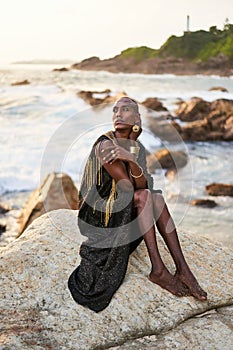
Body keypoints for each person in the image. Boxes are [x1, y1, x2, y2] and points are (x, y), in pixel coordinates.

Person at [68, 96, 207, 312]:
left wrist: (131, 153)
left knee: (156, 197)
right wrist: (130, 160)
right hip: (99, 213)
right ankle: (158, 269)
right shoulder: (105, 145)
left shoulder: (136, 147)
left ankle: (183, 269)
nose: (118, 114)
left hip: (121, 206)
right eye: (115, 111)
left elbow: (145, 183)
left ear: (137, 118)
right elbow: (127, 187)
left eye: (125, 110)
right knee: (145, 197)